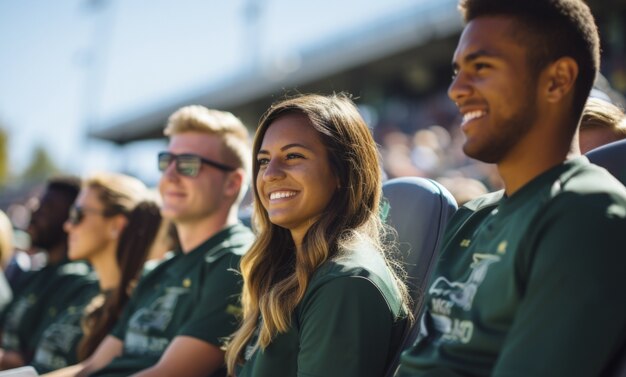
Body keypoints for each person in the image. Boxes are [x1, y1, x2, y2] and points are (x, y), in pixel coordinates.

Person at [398, 1, 626, 376]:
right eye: (457, 72)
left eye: (481, 67)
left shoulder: (587, 212)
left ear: (557, 80)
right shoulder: (471, 217)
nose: (456, 90)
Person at [45, 105, 254, 377]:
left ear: (232, 183)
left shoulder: (236, 259)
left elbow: (170, 373)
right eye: (166, 162)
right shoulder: (158, 270)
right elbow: (90, 367)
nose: (169, 176)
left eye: (188, 165)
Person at [225, 93, 411, 377]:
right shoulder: (287, 273)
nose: (270, 174)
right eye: (263, 161)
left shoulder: (345, 282)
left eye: (293, 156)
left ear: (343, 172)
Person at [28, 172, 162, 373]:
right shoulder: (85, 293)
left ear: (116, 226)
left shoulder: (135, 307)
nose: (68, 225)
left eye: (77, 215)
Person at [0, 177, 96, 370]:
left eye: (47, 208)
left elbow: (30, 359)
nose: (34, 214)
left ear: (69, 218)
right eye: (36, 206)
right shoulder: (32, 276)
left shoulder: (76, 282)